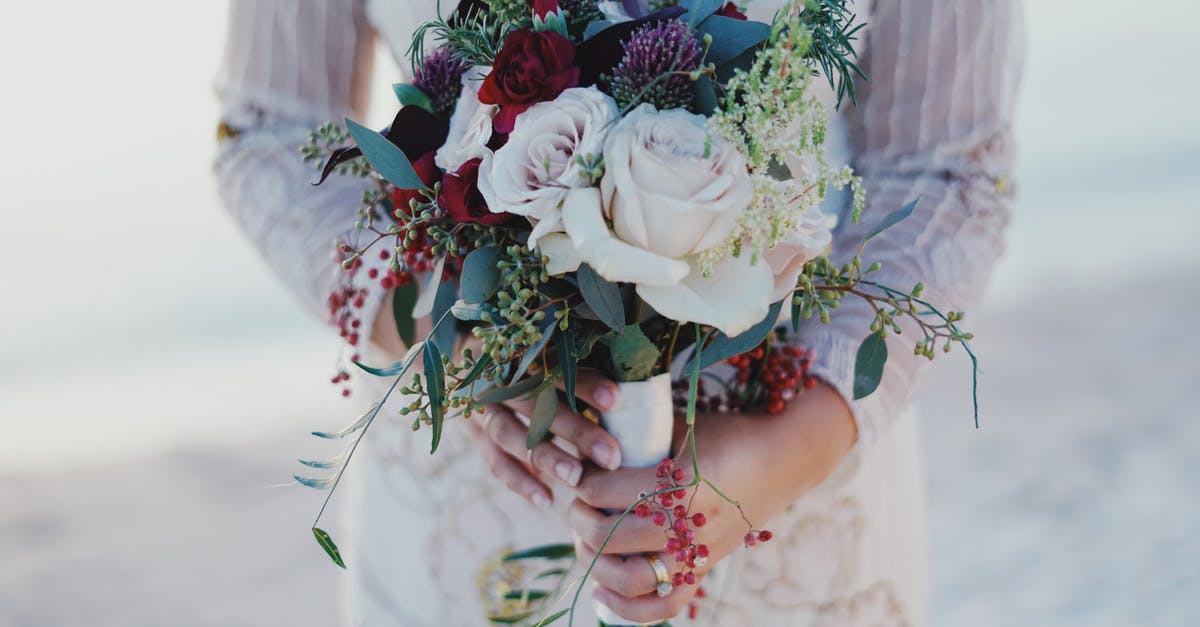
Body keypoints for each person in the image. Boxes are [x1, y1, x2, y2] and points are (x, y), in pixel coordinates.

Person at [215, 0, 1022, 624]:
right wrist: (454, 349)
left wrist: (785, 448)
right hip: (471, 505)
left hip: (797, 475)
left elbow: (944, 172)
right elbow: (272, 130)